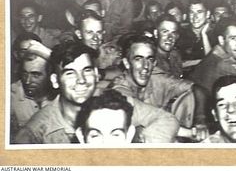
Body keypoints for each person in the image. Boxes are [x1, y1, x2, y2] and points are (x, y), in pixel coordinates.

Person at [14, 42, 179, 144]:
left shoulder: (110, 101)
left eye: (86, 71)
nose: (81, 80)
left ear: (95, 74)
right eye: (70, 73)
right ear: (55, 81)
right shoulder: (35, 133)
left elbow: (165, 118)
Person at [107, 34, 208, 136]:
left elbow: (197, 89)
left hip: (164, 137)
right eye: (138, 59)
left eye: (150, 59)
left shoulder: (156, 79)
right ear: (127, 63)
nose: (145, 66)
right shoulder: (118, 89)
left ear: (155, 63)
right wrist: (190, 133)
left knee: (189, 96)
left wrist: (200, 120)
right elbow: (143, 123)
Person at [11, 52, 55, 141]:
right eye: (25, 74)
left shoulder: (63, 95)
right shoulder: (10, 95)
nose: (27, 81)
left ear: (50, 76)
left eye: (36, 75)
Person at [153, 14, 183, 78]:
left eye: (173, 33)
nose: (170, 37)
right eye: (165, 32)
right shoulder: (151, 59)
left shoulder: (175, 54)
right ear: (156, 34)